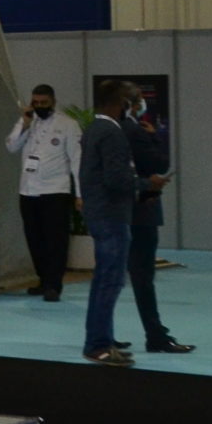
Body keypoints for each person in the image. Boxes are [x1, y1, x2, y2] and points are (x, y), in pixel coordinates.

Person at [78, 82, 140, 368]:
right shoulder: (111, 132)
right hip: (111, 215)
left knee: (104, 278)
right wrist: (144, 184)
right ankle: (98, 344)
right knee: (110, 279)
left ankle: (102, 338)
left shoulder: (93, 128)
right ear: (119, 103)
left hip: (98, 212)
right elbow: (116, 179)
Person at [123, 102, 190, 355]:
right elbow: (160, 164)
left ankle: (104, 335)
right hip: (141, 211)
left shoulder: (115, 129)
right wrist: (155, 138)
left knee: (120, 277)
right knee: (142, 277)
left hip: (128, 211)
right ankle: (155, 335)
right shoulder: (135, 131)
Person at [6, 84, 82, 300]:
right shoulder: (28, 122)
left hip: (55, 191)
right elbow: (11, 146)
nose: (39, 106)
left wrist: (80, 194)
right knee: (34, 239)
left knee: (55, 240)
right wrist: (25, 124)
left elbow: (77, 161)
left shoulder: (68, 125)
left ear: (53, 102)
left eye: (44, 103)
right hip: (28, 190)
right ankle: (43, 279)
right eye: (36, 103)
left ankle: (54, 285)